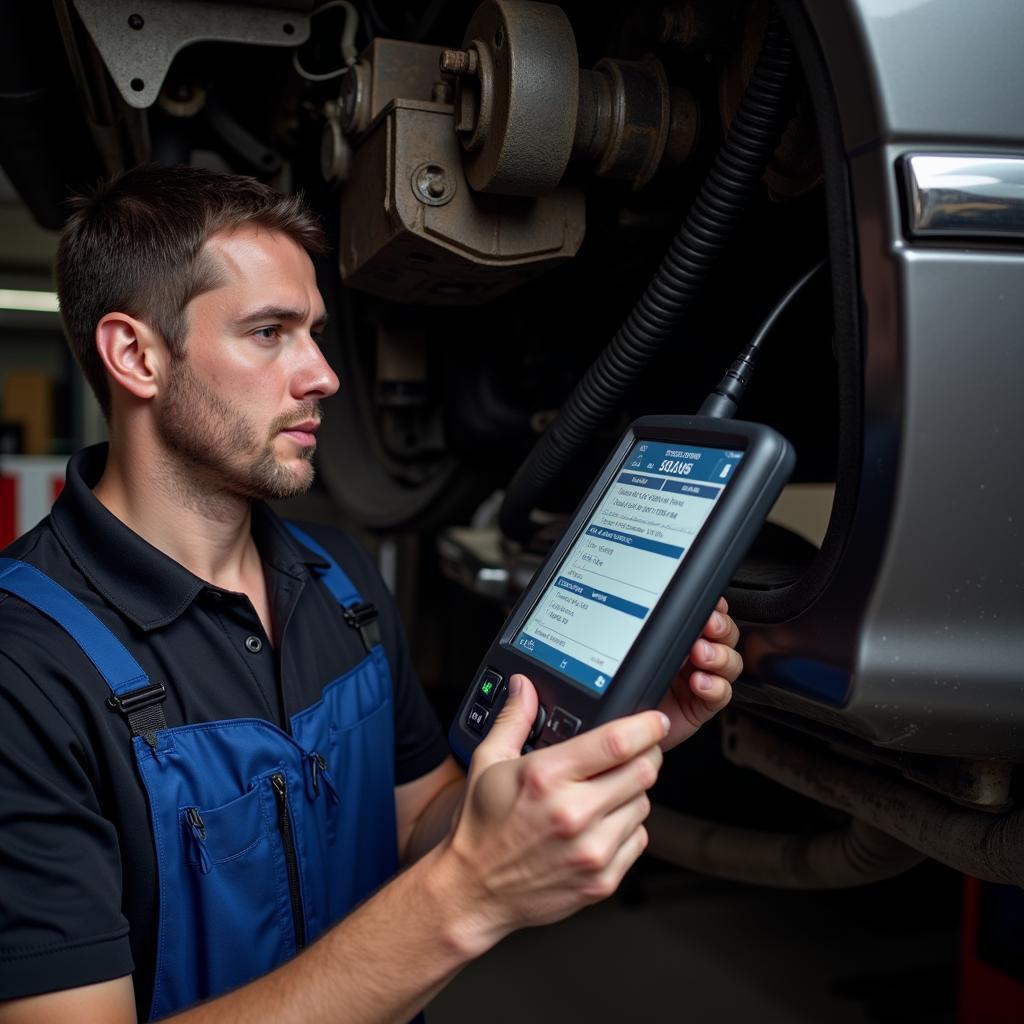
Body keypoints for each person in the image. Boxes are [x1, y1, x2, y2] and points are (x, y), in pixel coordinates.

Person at [0, 165, 742, 1023]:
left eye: (314, 332)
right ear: (137, 356)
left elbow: (422, 817)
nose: (323, 375)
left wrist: (622, 717)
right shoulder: (26, 667)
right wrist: (468, 896)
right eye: (270, 332)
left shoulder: (341, 578)